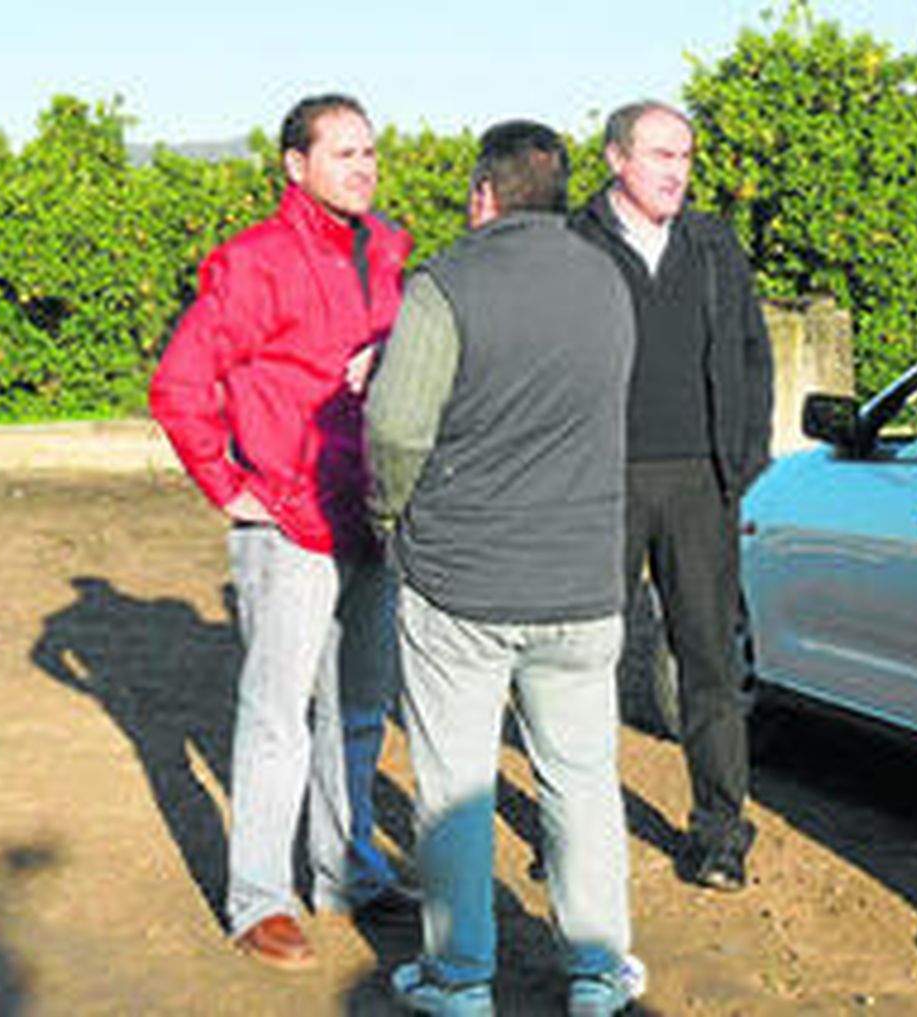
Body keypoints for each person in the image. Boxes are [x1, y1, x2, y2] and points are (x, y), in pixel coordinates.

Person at [367, 120, 644, 1017]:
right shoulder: (610, 281)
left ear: (483, 195)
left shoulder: (445, 284)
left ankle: (460, 978)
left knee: (456, 785)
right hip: (582, 583)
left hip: (464, 583)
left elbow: (397, 428)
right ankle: (599, 971)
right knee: (581, 778)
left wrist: (383, 515)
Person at [149, 94, 417, 972]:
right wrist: (229, 487)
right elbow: (179, 385)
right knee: (277, 719)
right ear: (296, 166)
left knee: (361, 708)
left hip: (372, 514)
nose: (363, 167)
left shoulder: (392, 248)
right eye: (344, 153)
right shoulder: (252, 263)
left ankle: (347, 871)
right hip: (290, 519)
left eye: (370, 151)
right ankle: (259, 897)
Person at [569, 100, 774, 892]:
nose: (677, 170)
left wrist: (743, 458)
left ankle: (721, 833)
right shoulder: (574, 242)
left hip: (700, 482)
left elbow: (753, 353)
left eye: (685, 155)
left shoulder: (714, 244)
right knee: (582, 660)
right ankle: (575, 831)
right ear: (618, 158)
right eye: (660, 154)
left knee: (710, 661)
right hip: (601, 480)